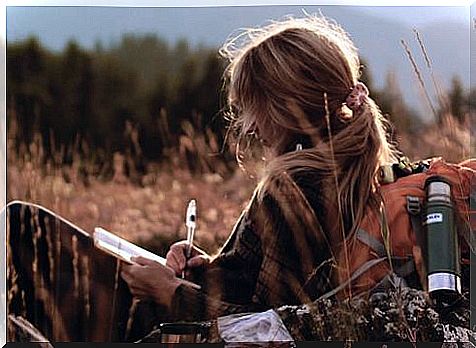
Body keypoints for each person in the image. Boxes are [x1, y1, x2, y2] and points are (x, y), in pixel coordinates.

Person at [120, 14, 400, 321]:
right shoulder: (352, 168)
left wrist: (170, 292)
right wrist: (211, 272)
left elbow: (269, 325)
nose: (250, 127)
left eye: (253, 108)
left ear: (284, 108)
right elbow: (283, 284)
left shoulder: (296, 189)